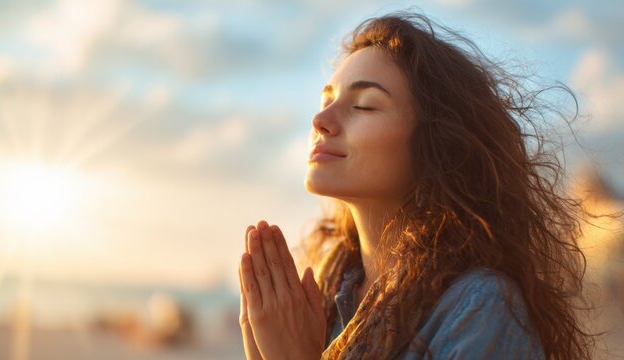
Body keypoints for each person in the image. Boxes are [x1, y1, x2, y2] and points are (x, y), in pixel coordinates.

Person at [237, 11, 595, 360]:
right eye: (326, 101)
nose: (320, 120)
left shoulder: (480, 308)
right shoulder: (329, 291)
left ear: (437, 144)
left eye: (364, 106)